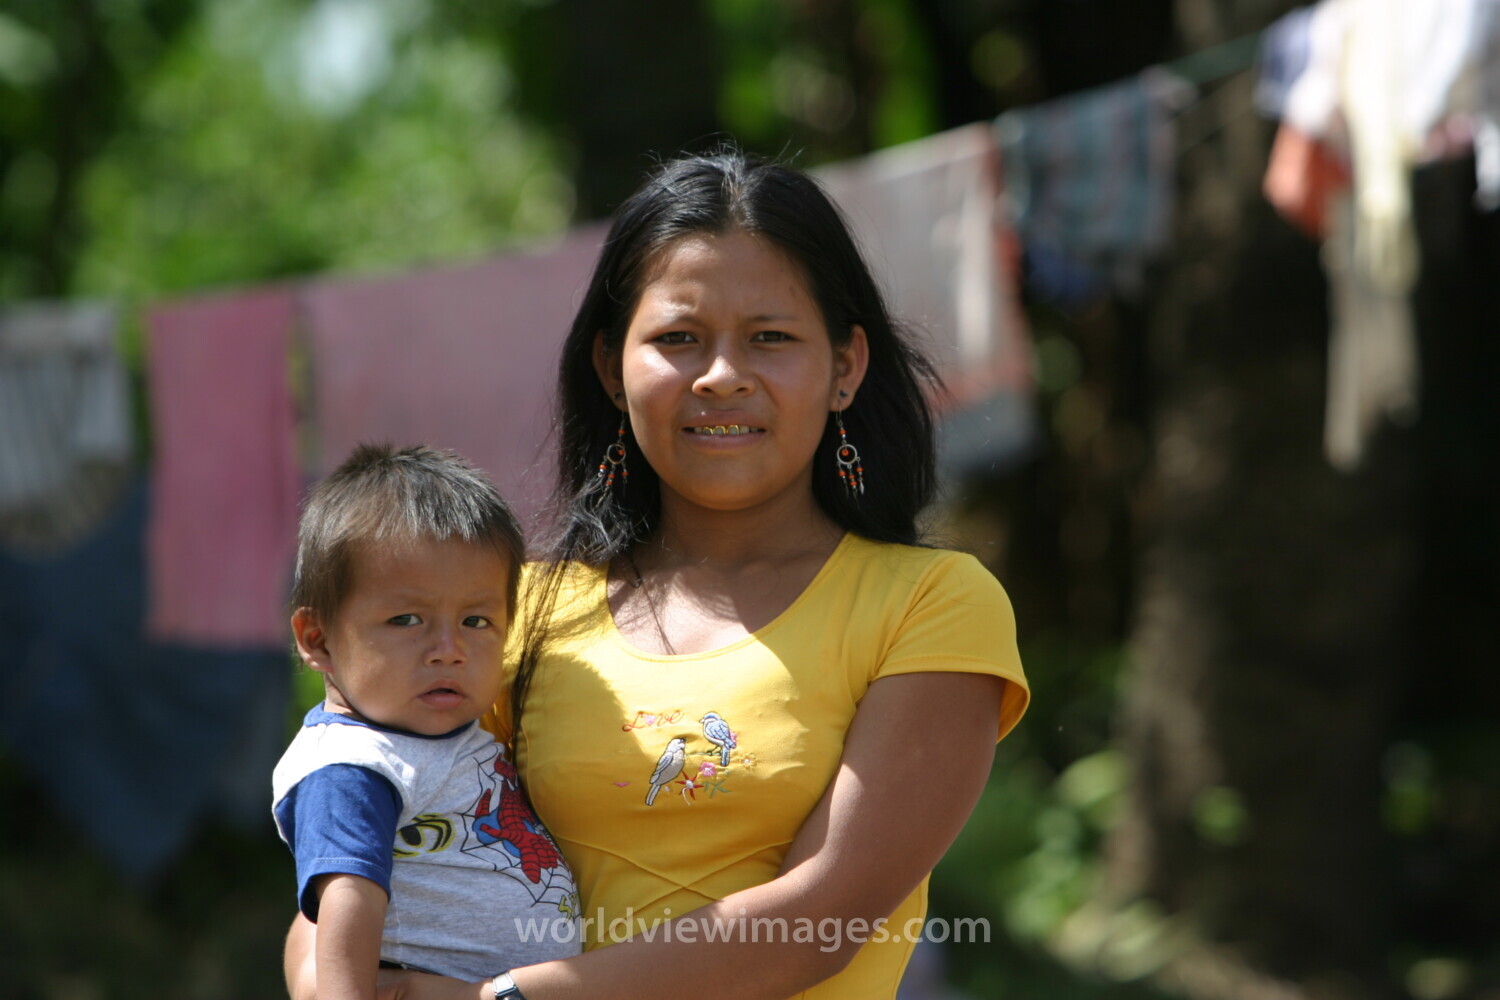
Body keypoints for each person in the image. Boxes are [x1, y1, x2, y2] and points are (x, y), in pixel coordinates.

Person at [286, 149, 1031, 1000]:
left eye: (771, 338)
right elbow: (348, 841)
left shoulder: (933, 607)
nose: (721, 375)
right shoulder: (510, 612)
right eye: (678, 338)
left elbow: (817, 922)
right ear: (612, 367)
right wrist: (327, 981)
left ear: (846, 367)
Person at [273, 444, 581, 999]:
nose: (449, 649)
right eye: (407, 619)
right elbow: (348, 901)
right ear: (317, 639)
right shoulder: (351, 767)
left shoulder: (438, 735)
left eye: (476, 620)